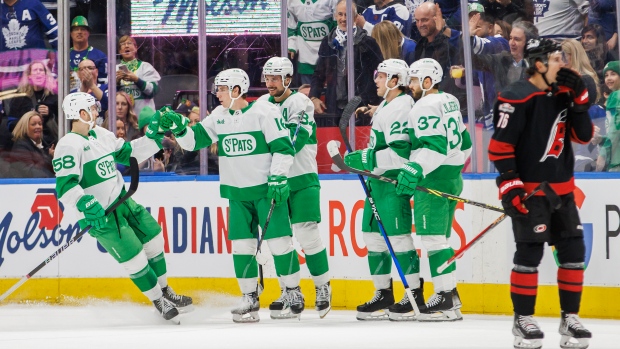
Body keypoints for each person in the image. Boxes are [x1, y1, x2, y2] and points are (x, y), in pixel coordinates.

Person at [162, 68, 303, 323]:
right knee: (241, 247)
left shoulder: (264, 112)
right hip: (236, 194)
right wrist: (178, 127)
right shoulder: (218, 116)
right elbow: (194, 141)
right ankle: (249, 297)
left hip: (265, 191)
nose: (217, 93)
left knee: (281, 243)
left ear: (237, 90)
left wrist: (279, 176)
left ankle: (292, 290)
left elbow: (283, 148)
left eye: (222, 88)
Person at [488, 38, 593, 349]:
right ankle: (523, 320)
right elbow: (500, 147)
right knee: (530, 253)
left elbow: (583, 136)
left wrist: (580, 101)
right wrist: (510, 185)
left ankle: (569, 318)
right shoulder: (515, 96)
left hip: (563, 192)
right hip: (532, 193)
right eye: (556, 58)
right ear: (538, 65)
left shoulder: (563, 94)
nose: (563, 63)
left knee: (574, 255)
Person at [54, 92, 193, 321]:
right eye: (93, 108)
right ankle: (158, 300)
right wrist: (85, 202)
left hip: (123, 201)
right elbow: (65, 186)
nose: (97, 111)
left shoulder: (100, 134)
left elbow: (130, 153)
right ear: (81, 113)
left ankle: (167, 290)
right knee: (135, 257)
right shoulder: (67, 145)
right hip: (101, 216)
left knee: (153, 238)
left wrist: (154, 136)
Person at [343, 59, 421, 321]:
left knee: (399, 239)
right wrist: (367, 160)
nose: (375, 79)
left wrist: (366, 160)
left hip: (391, 183)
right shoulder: (387, 105)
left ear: (395, 79)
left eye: (381, 75)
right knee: (373, 238)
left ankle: (414, 295)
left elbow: (401, 155)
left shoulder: (401, 107)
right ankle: (384, 293)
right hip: (377, 182)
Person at [395, 58, 471, 321]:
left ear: (428, 82)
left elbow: (434, 146)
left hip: (433, 180)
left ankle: (444, 298)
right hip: (451, 176)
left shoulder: (423, 106)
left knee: (432, 240)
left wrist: (415, 168)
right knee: (441, 239)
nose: (410, 85)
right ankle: (451, 293)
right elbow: (466, 141)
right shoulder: (449, 100)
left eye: (415, 80)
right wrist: (454, 166)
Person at [258, 57, 332, 319]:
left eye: (275, 78)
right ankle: (291, 291)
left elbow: (293, 140)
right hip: (273, 182)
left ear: (288, 79)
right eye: (267, 78)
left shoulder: (299, 102)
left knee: (307, 233)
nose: (270, 83)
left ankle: (323, 287)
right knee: (279, 240)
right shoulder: (261, 104)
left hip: (301, 178)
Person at [310, 0, 383, 118]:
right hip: (333, 107)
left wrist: (376, 103)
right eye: (340, 14)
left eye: (347, 14)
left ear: (355, 17)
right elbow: (319, 73)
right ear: (335, 16)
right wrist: (313, 97)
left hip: (361, 108)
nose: (343, 19)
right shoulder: (327, 42)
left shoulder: (368, 42)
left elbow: (380, 74)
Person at [9, 61, 59, 147]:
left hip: (51, 143)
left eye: (41, 70)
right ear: (29, 76)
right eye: (35, 70)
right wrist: (31, 117)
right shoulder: (20, 97)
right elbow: (10, 125)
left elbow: (64, 122)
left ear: (46, 75)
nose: (38, 72)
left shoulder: (54, 96)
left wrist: (50, 113)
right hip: (26, 143)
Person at [287, 0, 338, 85]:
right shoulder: (292, 2)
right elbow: (291, 28)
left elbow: (339, 25)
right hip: (305, 59)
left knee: (329, 94)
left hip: (329, 59)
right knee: (308, 95)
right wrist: (292, 45)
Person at [116, 35, 161, 117]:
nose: (126, 46)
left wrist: (137, 80)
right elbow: (108, 97)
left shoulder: (146, 67)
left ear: (136, 48)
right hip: (123, 121)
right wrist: (117, 83)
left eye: (129, 43)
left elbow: (153, 90)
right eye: (123, 44)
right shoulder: (114, 70)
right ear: (119, 50)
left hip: (145, 119)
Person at [9, 111, 54, 178]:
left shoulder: (43, 144)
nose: (38, 126)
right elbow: (32, 173)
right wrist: (50, 158)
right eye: (33, 124)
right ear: (25, 127)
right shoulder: (21, 147)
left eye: (40, 124)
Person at [69, 16, 108, 91]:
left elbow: (104, 84)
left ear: (88, 33)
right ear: (71, 33)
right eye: (76, 29)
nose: (79, 32)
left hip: (92, 96)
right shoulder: (63, 56)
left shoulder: (100, 56)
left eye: (83, 29)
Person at [600, 61, 620, 172]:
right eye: (606, 75)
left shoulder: (616, 95)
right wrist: (601, 139)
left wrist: (603, 154)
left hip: (616, 160)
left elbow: (615, 130)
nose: (609, 78)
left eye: (613, 74)